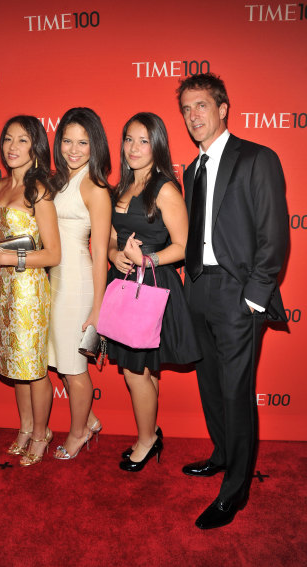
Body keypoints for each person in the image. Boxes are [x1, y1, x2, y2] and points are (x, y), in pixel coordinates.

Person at [177, 73, 289, 528]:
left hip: (237, 293)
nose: (193, 116)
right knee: (209, 386)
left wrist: (254, 300)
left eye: (201, 106)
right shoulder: (191, 169)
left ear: (223, 108)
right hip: (198, 289)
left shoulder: (257, 158)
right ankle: (222, 455)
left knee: (235, 392)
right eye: (186, 109)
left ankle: (235, 490)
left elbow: (274, 236)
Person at [107, 112, 201, 472]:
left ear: (157, 145)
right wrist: (116, 255)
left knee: (135, 371)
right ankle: (150, 433)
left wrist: (146, 259)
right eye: (129, 139)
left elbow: (184, 245)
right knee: (143, 369)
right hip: (125, 284)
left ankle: (146, 440)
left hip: (153, 286)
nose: (134, 147)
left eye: (143, 140)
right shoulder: (123, 186)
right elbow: (112, 239)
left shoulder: (163, 187)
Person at [0, 115, 61, 467]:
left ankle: (42, 433)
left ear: (36, 146)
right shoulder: (0, 187)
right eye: (8, 139)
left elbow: (53, 253)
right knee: (16, 364)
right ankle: (25, 427)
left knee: (34, 368)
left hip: (29, 290)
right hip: (4, 287)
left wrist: (6, 255)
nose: (12, 147)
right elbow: (7, 235)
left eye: (22, 140)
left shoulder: (38, 190)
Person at [48, 107, 112, 460]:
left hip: (77, 284)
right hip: (54, 281)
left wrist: (97, 308)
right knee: (60, 363)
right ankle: (90, 419)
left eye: (83, 142)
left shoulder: (95, 187)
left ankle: (79, 432)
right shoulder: (60, 181)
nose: (74, 150)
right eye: (68, 141)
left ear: (95, 145)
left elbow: (100, 250)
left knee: (74, 370)